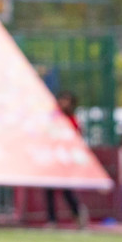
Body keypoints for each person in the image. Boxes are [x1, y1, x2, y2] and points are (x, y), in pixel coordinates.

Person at [46, 92, 88, 229]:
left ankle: (78, 214)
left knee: (66, 190)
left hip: (66, 159)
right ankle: (52, 220)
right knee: (49, 189)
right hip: (54, 157)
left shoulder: (73, 120)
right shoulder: (54, 118)